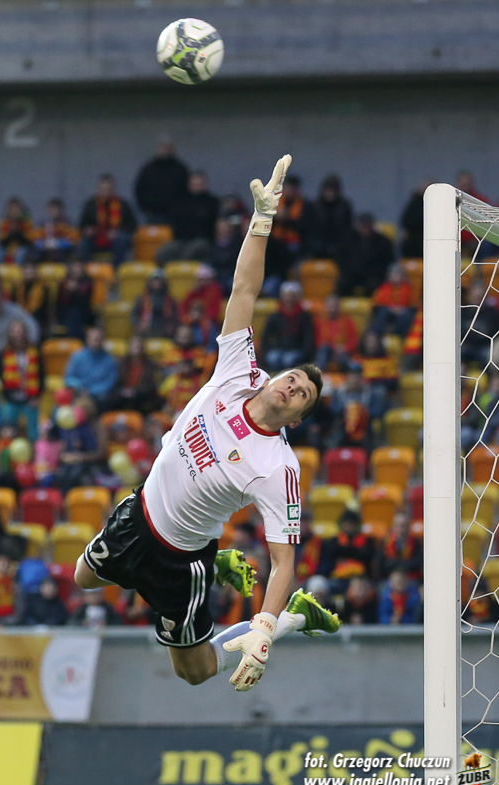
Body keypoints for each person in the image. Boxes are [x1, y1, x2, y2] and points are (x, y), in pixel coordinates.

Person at [74, 155, 340, 693]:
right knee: (82, 579)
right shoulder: (238, 370)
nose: (292, 387)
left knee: (193, 673)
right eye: (292, 378)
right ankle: (224, 565)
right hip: (139, 515)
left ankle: (295, 617)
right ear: (275, 376)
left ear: (297, 418)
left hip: (181, 561)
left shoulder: (277, 467)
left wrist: (265, 629)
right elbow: (244, 290)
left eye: (303, 395)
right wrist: (261, 221)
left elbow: (283, 561)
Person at [156, 171, 219, 266]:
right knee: (163, 252)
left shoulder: (212, 202)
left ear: (205, 184)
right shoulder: (180, 201)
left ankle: (179, 270)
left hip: (202, 240)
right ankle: (166, 273)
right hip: (181, 240)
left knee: (191, 251)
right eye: (194, 183)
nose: (196, 186)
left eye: (199, 184)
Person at [0, 285, 40, 375]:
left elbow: (32, 325)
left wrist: (31, 343)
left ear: (1, 298)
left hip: (14, 351)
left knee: (31, 356)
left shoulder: (14, 311)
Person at [78, 174, 137, 267]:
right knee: (83, 244)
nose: (105, 192)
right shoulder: (91, 204)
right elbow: (82, 225)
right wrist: (88, 230)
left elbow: (132, 224)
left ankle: (115, 269)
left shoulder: (122, 204)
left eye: (108, 189)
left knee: (122, 239)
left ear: (113, 189)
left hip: (116, 239)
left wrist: (117, 232)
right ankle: (90, 269)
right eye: (103, 189)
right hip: (96, 238)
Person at [1, 320, 43, 442]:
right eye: (15, 332)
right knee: (9, 426)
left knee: (33, 430)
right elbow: (1, 379)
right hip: (11, 399)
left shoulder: (34, 352)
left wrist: (36, 396)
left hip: (30, 399)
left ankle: (34, 448)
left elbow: (42, 376)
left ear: (25, 334)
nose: (18, 335)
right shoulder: (4, 354)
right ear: (10, 335)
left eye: (20, 331)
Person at [260, 281, 316, 372]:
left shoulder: (304, 317)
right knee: (273, 358)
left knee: (288, 360)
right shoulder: (275, 316)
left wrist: (305, 354)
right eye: (287, 295)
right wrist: (267, 351)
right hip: (278, 349)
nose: (289, 299)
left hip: (296, 349)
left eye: (292, 296)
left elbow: (308, 338)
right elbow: (265, 336)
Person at [134, 136, 189, 223]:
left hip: (175, 214)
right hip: (153, 213)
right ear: (157, 149)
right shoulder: (148, 168)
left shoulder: (181, 169)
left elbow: (188, 190)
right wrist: (144, 208)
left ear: (173, 150)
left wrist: (182, 209)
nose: (165, 151)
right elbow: (139, 189)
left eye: (168, 148)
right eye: (163, 147)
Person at [338, 213, 395, 297]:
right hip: (352, 274)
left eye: (367, 226)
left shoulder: (383, 242)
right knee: (342, 283)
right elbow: (340, 257)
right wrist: (348, 269)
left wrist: (376, 271)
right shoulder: (348, 240)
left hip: (373, 275)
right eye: (362, 225)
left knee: (376, 285)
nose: (365, 229)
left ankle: (375, 304)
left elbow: (388, 261)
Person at [64, 327, 118, 411]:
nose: (96, 341)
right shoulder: (77, 356)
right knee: (61, 399)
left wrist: (91, 391)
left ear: (103, 340)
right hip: (78, 392)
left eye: (98, 339)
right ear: (88, 339)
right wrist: (80, 387)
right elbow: (69, 377)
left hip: (98, 396)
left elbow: (110, 382)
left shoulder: (110, 360)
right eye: (94, 339)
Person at [309, 174, 353, 262]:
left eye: (333, 190)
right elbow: (311, 228)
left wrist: (339, 245)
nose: (330, 193)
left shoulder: (344, 206)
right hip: (317, 245)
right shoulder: (315, 206)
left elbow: (347, 228)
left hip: (339, 246)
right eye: (328, 190)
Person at [315, 294, 359, 372]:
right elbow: (317, 341)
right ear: (326, 306)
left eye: (334, 305)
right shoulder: (320, 322)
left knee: (347, 359)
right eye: (330, 305)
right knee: (324, 350)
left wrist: (344, 348)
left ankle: (347, 376)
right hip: (327, 352)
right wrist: (332, 347)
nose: (332, 308)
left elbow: (354, 340)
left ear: (338, 306)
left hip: (343, 352)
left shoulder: (347, 321)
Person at [371, 263, 416, 338]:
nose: (395, 276)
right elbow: (376, 303)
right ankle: (378, 336)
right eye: (393, 274)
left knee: (406, 315)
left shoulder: (409, 289)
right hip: (387, 312)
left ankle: (400, 338)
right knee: (383, 312)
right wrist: (391, 308)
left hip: (403, 312)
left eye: (397, 274)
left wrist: (400, 309)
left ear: (403, 276)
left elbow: (413, 304)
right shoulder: (383, 288)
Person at [131, 269, 178, 339]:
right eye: (154, 280)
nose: (156, 283)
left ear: (163, 282)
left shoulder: (170, 300)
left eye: (159, 280)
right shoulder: (142, 298)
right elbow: (134, 313)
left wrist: (172, 325)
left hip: (164, 330)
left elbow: (175, 314)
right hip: (146, 330)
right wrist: (138, 323)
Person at [56, 260, 95, 339]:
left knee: (74, 314)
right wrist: (68, 292)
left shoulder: (88, 282)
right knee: (72, 314)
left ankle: (74, 340)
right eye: (75, 267)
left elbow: (85, 302)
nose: (77, 269)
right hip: (65, 313)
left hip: (84, 313)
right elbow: (60, 302)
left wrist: (75, 291)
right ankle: (77, 340)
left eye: (79, 267)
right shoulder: (64, 282)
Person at [34, 198, 77, 262]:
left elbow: (73, 240)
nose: (53, 211)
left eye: (55, 209)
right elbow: (36, 240)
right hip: (45, 250)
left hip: (62, 250)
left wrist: (57, 243)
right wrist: (44, 244)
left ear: (61, 210)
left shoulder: (67, 223)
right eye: (51, 209)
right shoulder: (43, 224)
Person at [0, 197, 34, 264]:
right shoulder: (3, 222)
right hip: (7, 247)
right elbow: (1, 240)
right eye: (12, 209)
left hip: (22, 247)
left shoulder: (26, 222)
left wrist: (18, 229)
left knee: (20, 254)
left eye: (16, 208)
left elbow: (29, 239)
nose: (14, 211)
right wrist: (11, 230)